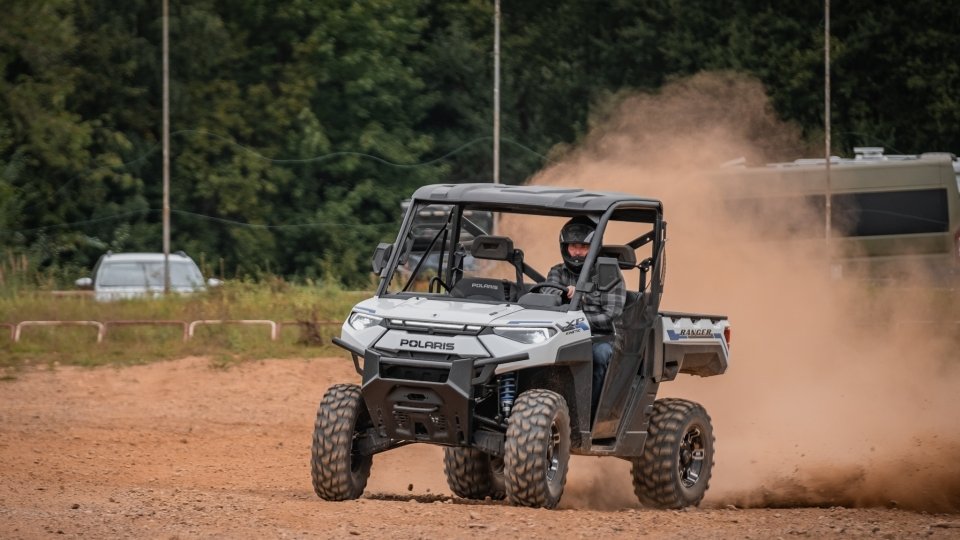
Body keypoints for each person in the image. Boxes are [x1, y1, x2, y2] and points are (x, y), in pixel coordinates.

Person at [541, 216, 626, 413]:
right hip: (562, 335)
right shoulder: (557, 272)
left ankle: (590, 414)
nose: (577, 252)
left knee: (598, 356)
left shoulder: (609, 274)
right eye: (573, 246)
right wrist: (564, 293)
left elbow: (610, 315)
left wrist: (581, 298)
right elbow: (548, 295)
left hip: (600, 337)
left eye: (583, 246)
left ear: (593, 247)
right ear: (565, 247)